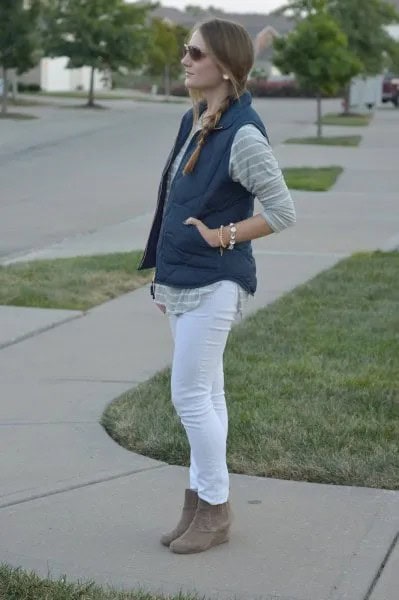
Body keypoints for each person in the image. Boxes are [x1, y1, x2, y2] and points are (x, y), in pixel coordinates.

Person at [138, 18, 296, 555]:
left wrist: (222, 236)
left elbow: (282, 211)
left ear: (223, 68)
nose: (184, 59)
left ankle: (216, 506)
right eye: (185, 50)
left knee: (188, 396)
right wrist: (166, 278)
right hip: (185, 280)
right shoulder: (200, 118)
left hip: (216, 282)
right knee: (209, 394)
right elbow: (176, 203)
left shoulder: (243, 134)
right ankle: (199, 502)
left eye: (194, 53)